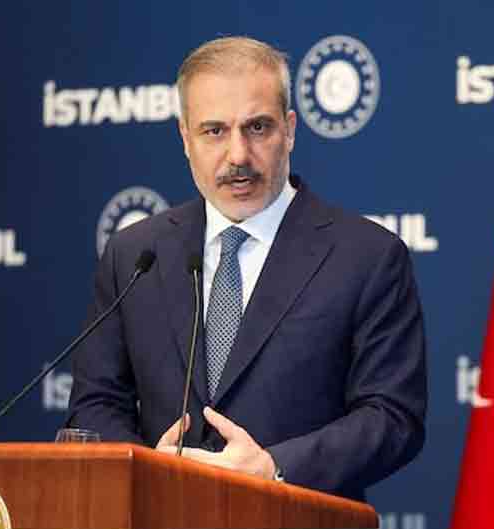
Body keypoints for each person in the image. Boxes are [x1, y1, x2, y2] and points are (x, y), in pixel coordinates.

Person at [67, 36, 426, 501]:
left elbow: (393, 417)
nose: (238, 155)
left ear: (290, 130)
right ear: (185, 139)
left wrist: (275, 468)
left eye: (257, 128)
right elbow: (95, 404)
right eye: (214, 131)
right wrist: (147, 472)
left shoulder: (367, 256)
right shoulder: (134, 253)